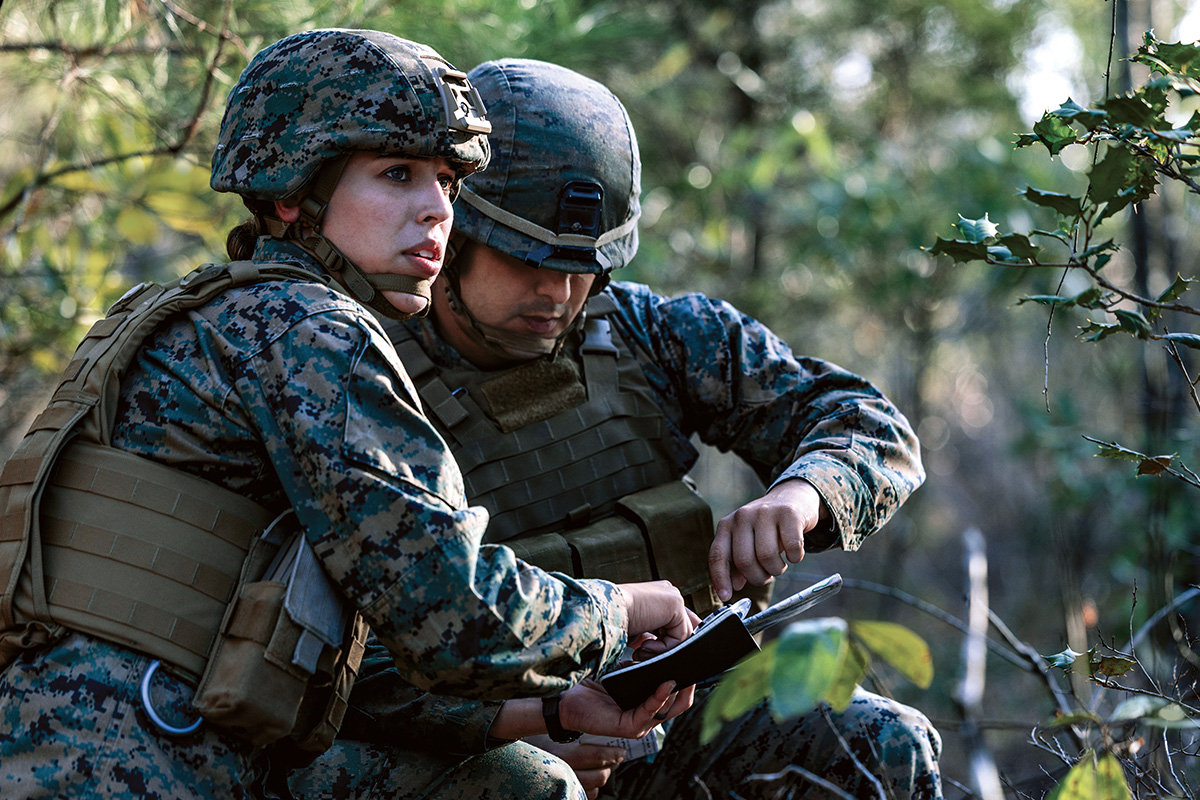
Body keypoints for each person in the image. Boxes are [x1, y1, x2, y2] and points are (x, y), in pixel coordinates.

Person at [0, 32, 697, 800]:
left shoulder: (193, 310)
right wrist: (623, 608)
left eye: (448, 180)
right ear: (292, 191)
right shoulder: (312, 331)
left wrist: (554, 710)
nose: (437, 212)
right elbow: (449, 609)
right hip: (137, 759)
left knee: (516, 781)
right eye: (397, 174)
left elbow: (358, 658)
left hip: (80, 739)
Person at [293, 58, 943, 799]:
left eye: (584, 266)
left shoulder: (651, 336)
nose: (557, 293)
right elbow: (324, 658)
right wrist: (515, 723)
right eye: (526, 259)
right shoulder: (358, 372)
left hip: (682, 715)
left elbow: (869, 425)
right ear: (453, 232)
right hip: (482, 742)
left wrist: (803, 494)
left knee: (882, 741)